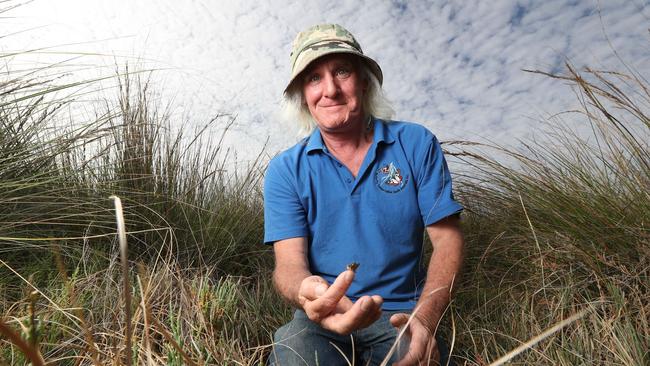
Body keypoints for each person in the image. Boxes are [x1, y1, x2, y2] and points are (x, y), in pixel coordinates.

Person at [264, 23, 464, 366]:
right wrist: (307, 292)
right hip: (323, 319)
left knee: (419, 358)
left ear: (364, 80)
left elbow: (448, 242)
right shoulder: (285, 170)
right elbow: (288, 265)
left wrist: (424, 320)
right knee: (294, 354)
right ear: (303, 95)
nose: (329, 90)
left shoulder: (416, 144)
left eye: (341, 71)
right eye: (314, 78)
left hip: (400, 315)